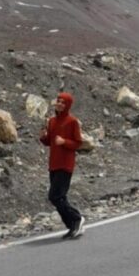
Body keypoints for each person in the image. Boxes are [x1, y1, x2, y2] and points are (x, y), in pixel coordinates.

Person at [39, 92, 85, 239]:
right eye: (58, 101)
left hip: (65, 164)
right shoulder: (52, 121)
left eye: (63, 102)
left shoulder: (72, 122)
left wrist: (64, 142)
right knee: (59, 197)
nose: (59, 104)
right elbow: (49, 142)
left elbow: (78, 143)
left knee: (55, 196)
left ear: (68, 105)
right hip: (53, 164)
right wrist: (43, 136)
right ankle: (72, 225)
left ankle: (76, 218)